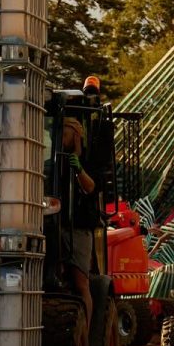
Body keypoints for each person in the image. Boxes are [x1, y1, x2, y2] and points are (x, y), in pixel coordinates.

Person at [63, 116, 99, 328]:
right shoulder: (54, 162)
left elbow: (91, 187)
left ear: (76, 137)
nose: (59, 139)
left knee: (81, 282)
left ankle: (85, 330)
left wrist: (78, 168)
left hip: (78, 228)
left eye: (64, 134)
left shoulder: (88, 163)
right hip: (57, 225)